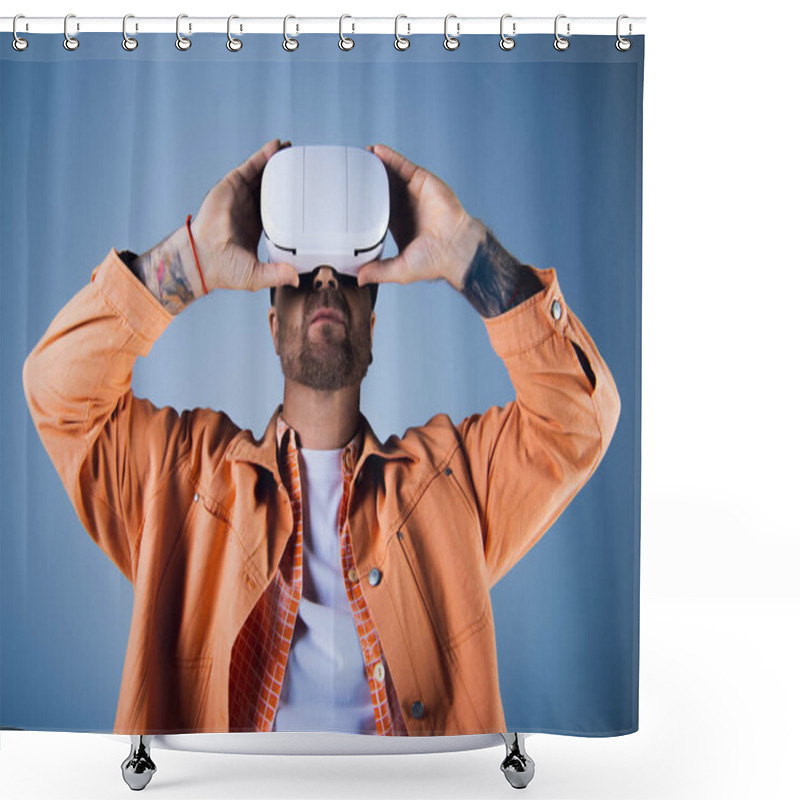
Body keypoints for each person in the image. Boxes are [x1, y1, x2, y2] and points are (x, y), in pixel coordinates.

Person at [23, 138, 621, 736]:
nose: (328, 280)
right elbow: (56, 391)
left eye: (350, 273)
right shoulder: (179, 481)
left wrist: (468, 254)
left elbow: (579, 422)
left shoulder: (451, 483)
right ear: (273, 321)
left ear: (372, 320)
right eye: (303, 271)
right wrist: (188, 263)